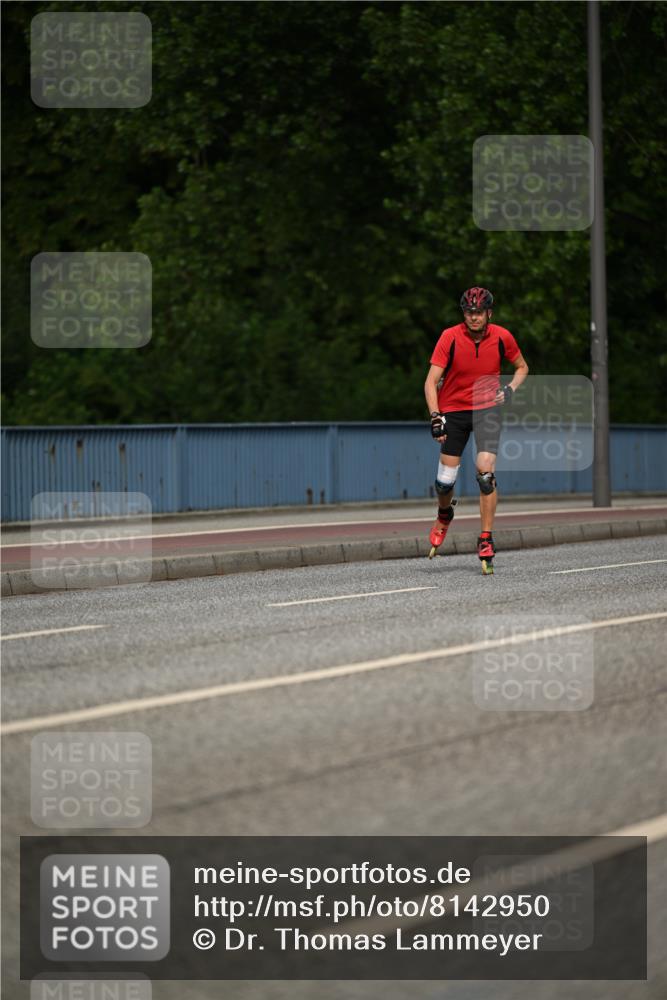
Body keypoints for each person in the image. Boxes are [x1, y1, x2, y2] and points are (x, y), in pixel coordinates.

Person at [424, 286, 529, 573]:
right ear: (464, 314)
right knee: (445, 482)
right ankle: (445, 514)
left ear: (489, 314)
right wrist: (436, 416)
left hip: (487, 409)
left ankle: (485, 538)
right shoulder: (450, 337)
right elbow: (430, 381)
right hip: (454, 410)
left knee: (485, 474)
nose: (474, 318)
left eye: (479, 312)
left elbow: (522, 367)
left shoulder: (502, 337)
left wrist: (510, 389)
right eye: (469, 312)